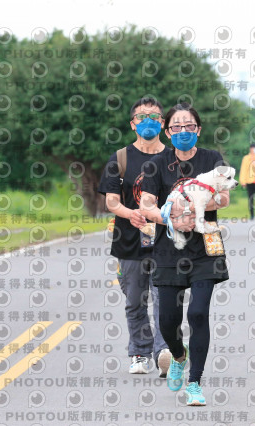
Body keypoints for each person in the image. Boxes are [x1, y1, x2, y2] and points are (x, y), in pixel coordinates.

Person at [139, 102, 231, 406]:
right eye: (176, 127)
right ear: (167, 132)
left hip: (205, 247)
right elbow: (146, 204)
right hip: (169, 250)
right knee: (167, 320)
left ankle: (195, 383)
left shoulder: (212, 159)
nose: (183, 131)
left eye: (189, 126)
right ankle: (179, 355)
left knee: (198, 313)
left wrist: (192, 209)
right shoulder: (156, 164)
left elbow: (224, 197)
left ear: (198, 129)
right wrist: (171, 218)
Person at [97, 97, 171, 377]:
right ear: (132, 124)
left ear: (162, 124)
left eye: (153, 116)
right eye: (142, 116)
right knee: (134, 300)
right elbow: (111, 201)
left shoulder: (174, 158)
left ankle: (164, 352)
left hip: (166, 242)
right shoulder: (120, 158)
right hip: (128, 241)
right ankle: (139, 353)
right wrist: (131, 214)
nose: (147, 121)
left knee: (165, 298)